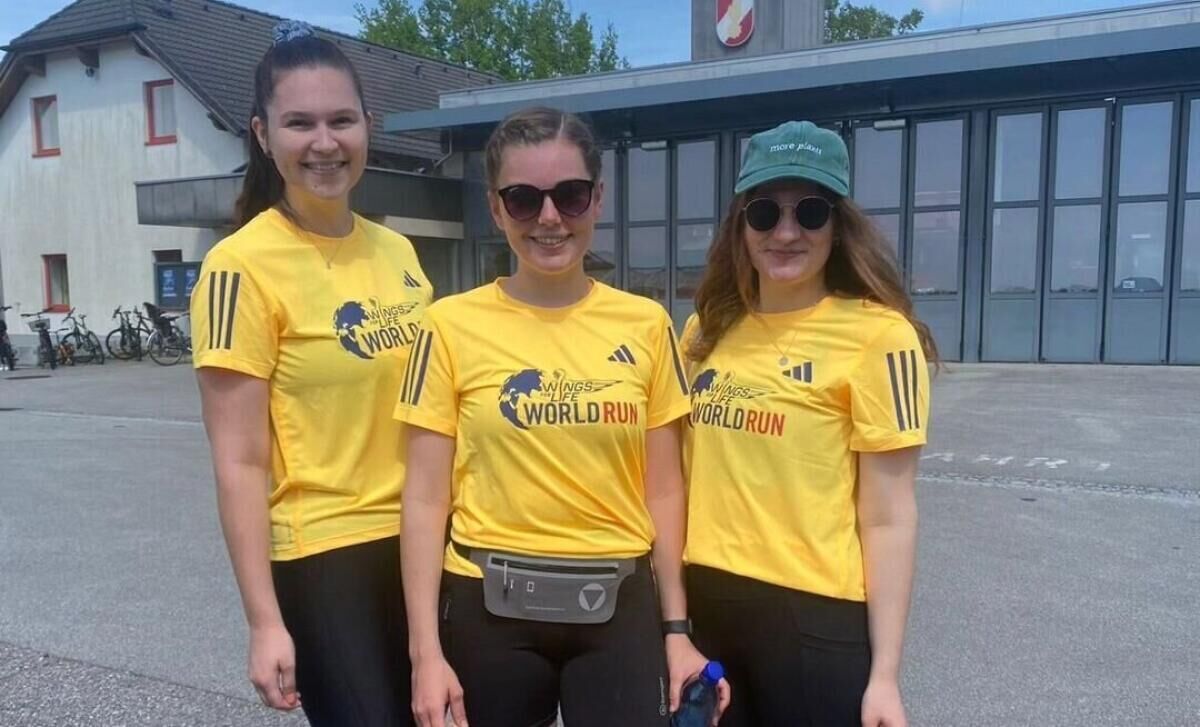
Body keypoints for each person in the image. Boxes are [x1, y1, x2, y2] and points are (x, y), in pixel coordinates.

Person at [396, 106, 729, 727]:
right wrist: (425, 655)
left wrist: (677, 630)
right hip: (487, 608)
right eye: (524, 199)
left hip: (617, 608)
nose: (549, 218)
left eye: (569, 195)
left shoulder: (646, 324)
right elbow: (423, 497)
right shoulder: (447, 326)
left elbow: (664, 490)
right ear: (496, 209)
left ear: (597, 199)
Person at [190, 20, 431, 727]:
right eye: (300, 123)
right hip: (326, 553)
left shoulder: (397, 251)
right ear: (263, 135)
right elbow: (238, 461)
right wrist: (264, 620)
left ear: (368, 126)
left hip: (425, 538)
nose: (325, 142)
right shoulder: (238, 267)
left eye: (341, 120)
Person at [681, 121, 937, 727]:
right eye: (765, 212)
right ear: (741, 225)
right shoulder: (704, 332)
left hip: (815, 620)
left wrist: (885, 676)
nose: (786, 232)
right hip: (707, 609)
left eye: (811, 212)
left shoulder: (881, 336)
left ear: (838, 225)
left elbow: (889, 517)